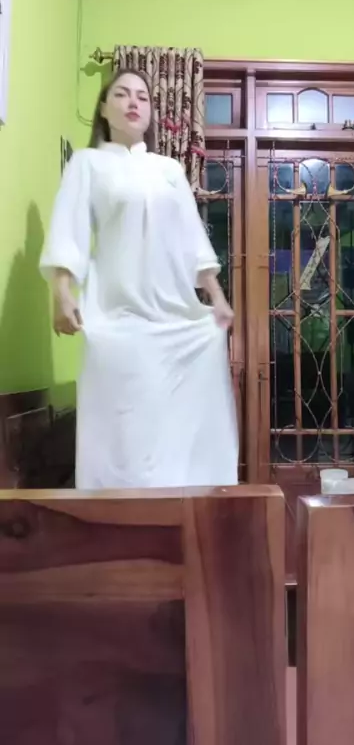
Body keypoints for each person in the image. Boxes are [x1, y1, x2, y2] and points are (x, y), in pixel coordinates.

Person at [40, 69, 238, 488]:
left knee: (178, 425)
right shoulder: (87, 164)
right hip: (116, 319)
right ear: (103, 108)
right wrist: (61, 293)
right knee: (122, 432)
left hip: (171, 319)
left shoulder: (168, 170)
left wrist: (216, 296)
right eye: (122, 94)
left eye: (143, 97)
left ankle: (186, 511)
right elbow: (68, 232)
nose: (133, 102)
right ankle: (116, 518)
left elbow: (191, 239)